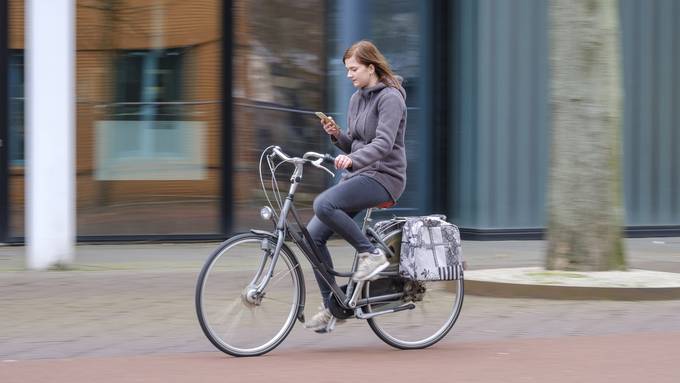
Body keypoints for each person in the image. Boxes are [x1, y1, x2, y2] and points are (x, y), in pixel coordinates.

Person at [304, 40, 408, 333]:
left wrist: (351, 159)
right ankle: (334, 307)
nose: (349, 75)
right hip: (361, 175)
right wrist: (338, 136)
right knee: (312, 238)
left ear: (371, 68)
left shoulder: (391, 98)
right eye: (347, 70)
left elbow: (384, 144)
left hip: (384, 177)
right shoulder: (356, 99)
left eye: (354, 69)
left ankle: (371, 254)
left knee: (324, 204)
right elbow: (356, 142)